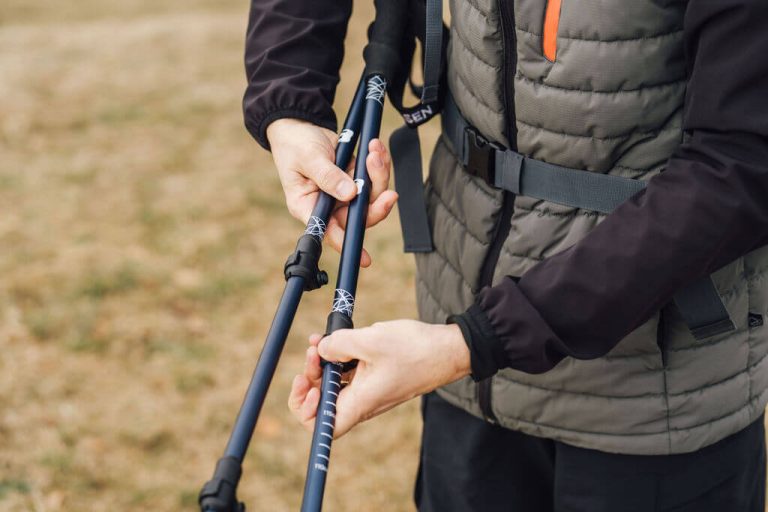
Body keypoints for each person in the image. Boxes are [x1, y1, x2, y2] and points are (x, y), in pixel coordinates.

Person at [243, 0, 768, 510]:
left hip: (658, 407)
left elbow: (742, 164)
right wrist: (289, 105)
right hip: (462, 360)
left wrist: (469, 343)